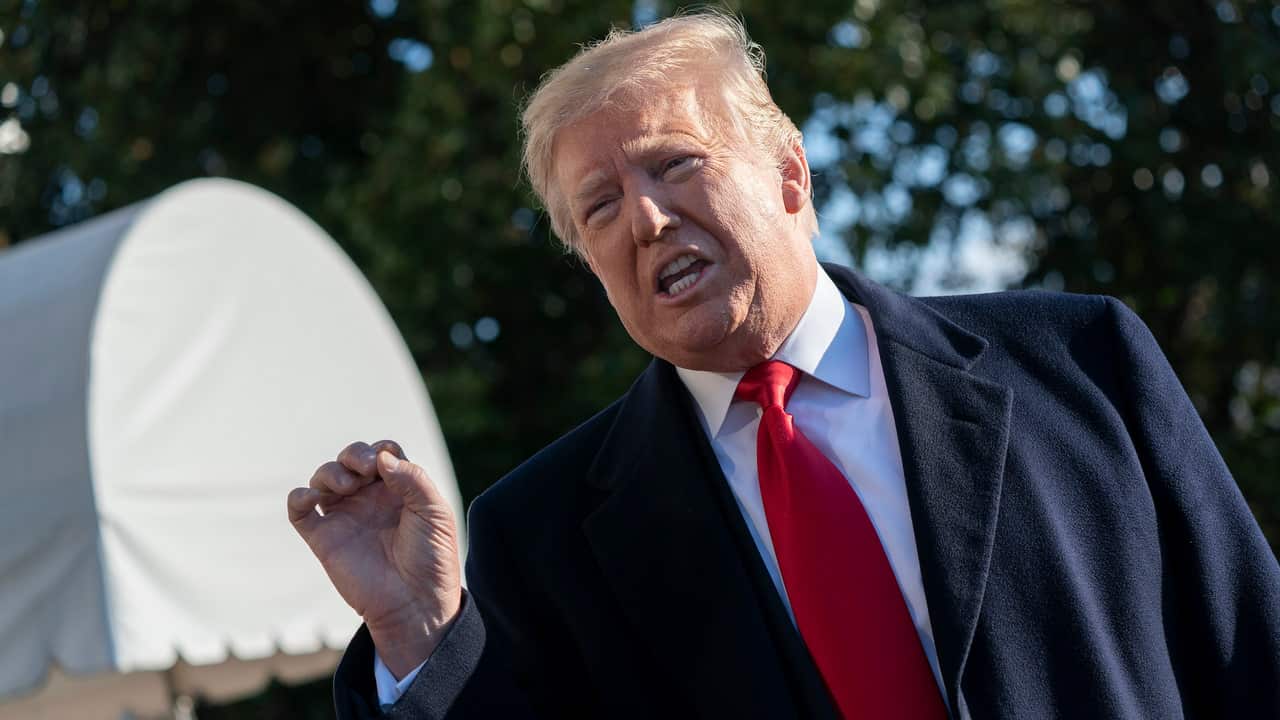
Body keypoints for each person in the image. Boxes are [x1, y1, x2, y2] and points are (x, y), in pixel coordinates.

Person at [287, 12, 1280, 719]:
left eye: (673, 163)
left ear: (788, 172)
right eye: (598, 207)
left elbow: (1251, 655)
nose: (643, 216)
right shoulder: (537, 536)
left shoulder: (1077, 361)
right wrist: (418, 632)